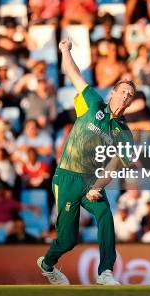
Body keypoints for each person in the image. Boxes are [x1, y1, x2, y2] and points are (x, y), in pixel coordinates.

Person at [37, 39, 135, 286]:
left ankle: (105, 271)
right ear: (112, 92)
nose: (125, 96)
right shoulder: (92, 103)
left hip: (92, 180)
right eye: (122, 91)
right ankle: (48, 263)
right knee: (69, 240)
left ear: (131, 103)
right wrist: (66, 51)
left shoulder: (124, 132)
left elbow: (115, 164)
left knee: (104, 214)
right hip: (67, 176)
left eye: (130, 95)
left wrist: (98, 187)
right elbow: (73, 73)